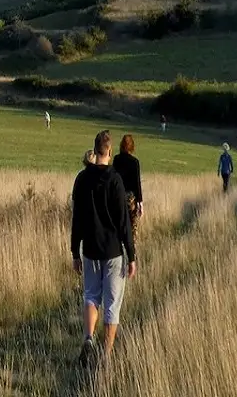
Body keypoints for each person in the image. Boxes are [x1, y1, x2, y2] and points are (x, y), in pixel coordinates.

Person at [71, 130, 138, 367]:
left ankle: (88, 338)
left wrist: (74, 251)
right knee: (112, 304)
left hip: (89, 249)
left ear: (95, 148)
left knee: (90, 296)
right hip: (112, 251)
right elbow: (123, 222)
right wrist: (131, 255)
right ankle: (106, 356)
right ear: (109, 150)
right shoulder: (115, 180)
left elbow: (76, 218)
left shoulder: (81, 179)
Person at [112, 135, 143, 244]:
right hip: (131, 199)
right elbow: (137, 183)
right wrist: (140, 202)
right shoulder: (135, 162)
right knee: (132, 227)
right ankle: (131, 250)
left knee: (118, 224)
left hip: (117, 197)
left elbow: (113, 179)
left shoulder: (116, 159)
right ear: (132, 146)